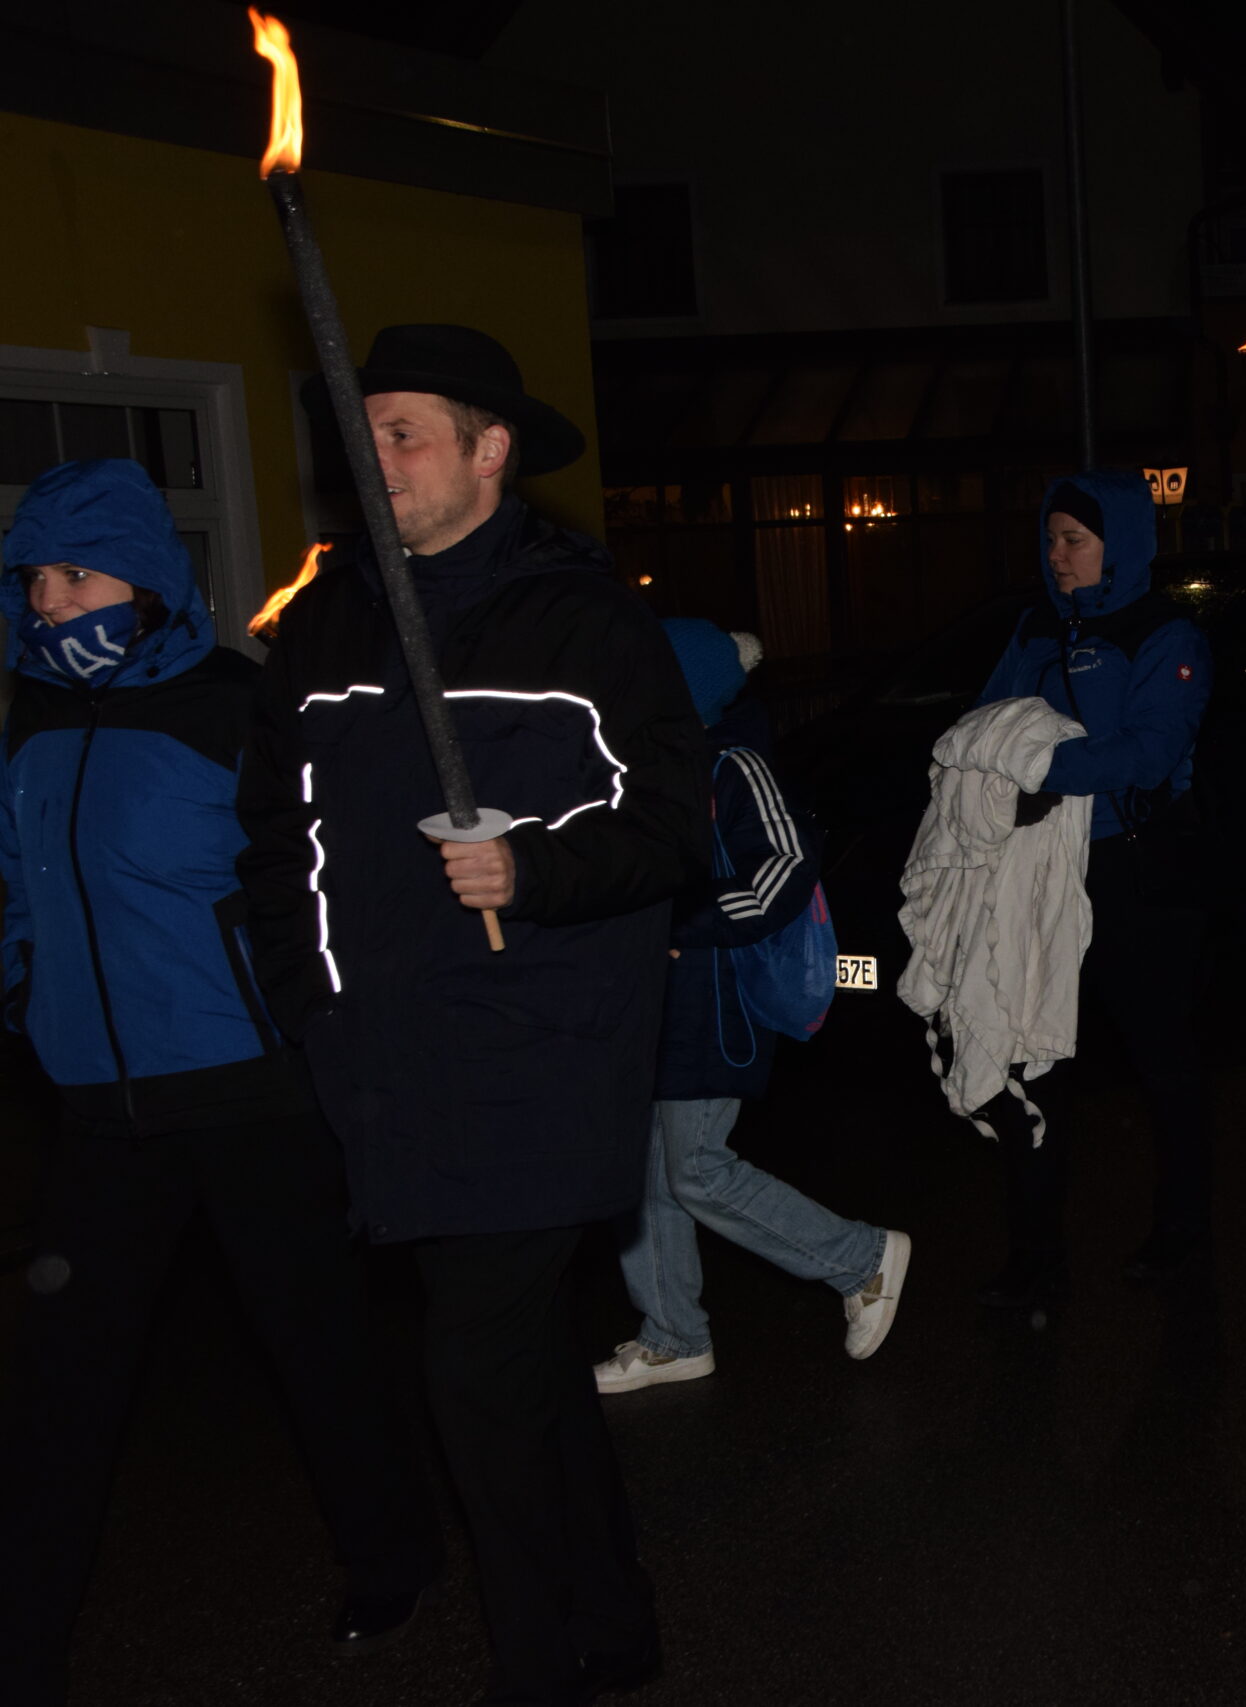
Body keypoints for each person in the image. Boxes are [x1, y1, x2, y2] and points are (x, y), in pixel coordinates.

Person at [236, 324, 705, 1705]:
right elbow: (275, 839)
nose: (374, 458)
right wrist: (311, 1004)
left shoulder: (585, 621)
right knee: (524, 1364)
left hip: (544, 1060)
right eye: (362, 431)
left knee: (474, 1370)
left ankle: (537, 1664)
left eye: (405, 432)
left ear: (490, 449)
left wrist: (532, 868)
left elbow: (675, 828)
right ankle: (613, 1618)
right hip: (384, 1066)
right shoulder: (323, 622)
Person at [0, 460, 443, 1707]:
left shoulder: (232, 709)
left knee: (315, 1342)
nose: (48, 601)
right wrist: (22, 987)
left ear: (144, 582)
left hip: (248, 1092)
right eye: (32, 579)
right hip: (98, 1104)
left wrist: (313, 1023)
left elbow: (315, 884)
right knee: (61, 1387)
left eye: (74, 574)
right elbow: (17, 882)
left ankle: (393, 1558)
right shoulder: (32, 718)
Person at [594, 620, 910, 1393]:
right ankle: (673, 1334)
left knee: (696, 1169)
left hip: (713, 1008)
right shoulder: (640, 769)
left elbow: (786, 866)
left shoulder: (731, 765)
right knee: (644, 1175)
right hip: (650, 1008)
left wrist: (679, 924)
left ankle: (861, 1259)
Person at [970, 470, 1216, 1303]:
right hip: (1042, 868)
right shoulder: (1035, 628)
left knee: (1161, 1058)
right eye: (1051, 539)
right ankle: (1035, 1256)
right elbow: (985, 727)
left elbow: (1148, 751)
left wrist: (1042, 763)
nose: (1058, 554)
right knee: (1030, 1063)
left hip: (1134, 871)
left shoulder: (1164, 633)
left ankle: (1183, 1231)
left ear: (1121, 544)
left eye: (1076, 539)